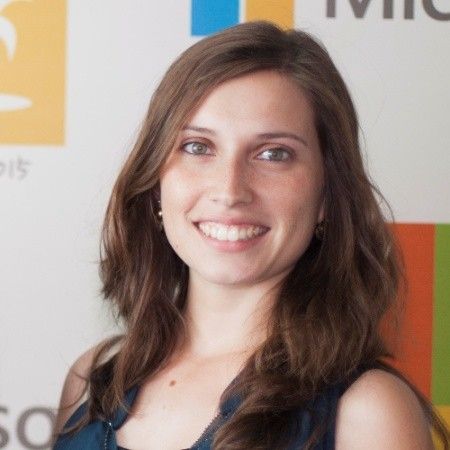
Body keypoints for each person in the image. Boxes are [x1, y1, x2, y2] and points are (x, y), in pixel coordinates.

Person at [52, 21, 449, 449]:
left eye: (273, 154)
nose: (230, 190)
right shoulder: (91, 381)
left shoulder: (368, 413)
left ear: (327, 195)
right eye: (198, 147)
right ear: (155, 184)